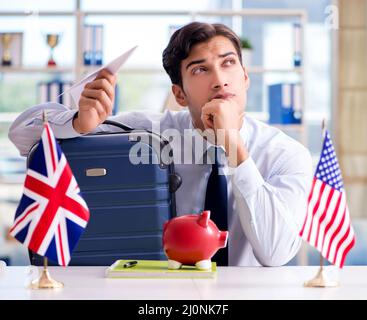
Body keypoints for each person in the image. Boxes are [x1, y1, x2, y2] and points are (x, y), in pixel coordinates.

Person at [8, 22, 312, 267]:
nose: (220, 80)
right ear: (179, 94)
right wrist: (78, 123)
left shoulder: (286, 154)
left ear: (245, 77)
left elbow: (275, 253)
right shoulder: (151, 133)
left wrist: (237, 150)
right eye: (200, 69)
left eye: (228, 63)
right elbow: (22, 134)